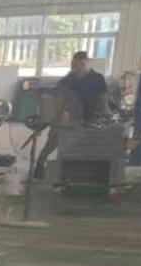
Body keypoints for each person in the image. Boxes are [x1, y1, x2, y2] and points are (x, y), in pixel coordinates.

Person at [35, 51, 111, 179]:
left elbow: (103, 98)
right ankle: (39, 167)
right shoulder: (67, 80)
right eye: (75, 65)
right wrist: (62, 113)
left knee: (81, 147)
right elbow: (59, 98)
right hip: (66, 118)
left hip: (89, 118)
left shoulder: (97, 79)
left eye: (81, 64)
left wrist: (106, 114)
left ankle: (79, 173)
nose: (77, 68)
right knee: (53, 143)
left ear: (87, 62)